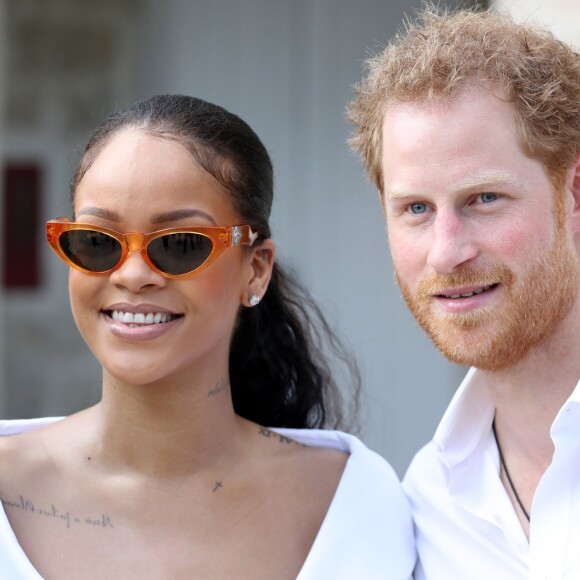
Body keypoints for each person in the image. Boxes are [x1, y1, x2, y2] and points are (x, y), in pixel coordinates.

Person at [0, 95, 415, 578]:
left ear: (255, 271)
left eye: (179, 245)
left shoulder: (355, 501)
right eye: (97, 242)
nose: (133, 275)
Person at [348, 6, 580, 579]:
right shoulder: (428, 504)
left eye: (484, 199)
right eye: (416, 209)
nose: (446, 252)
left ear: (574, 195)